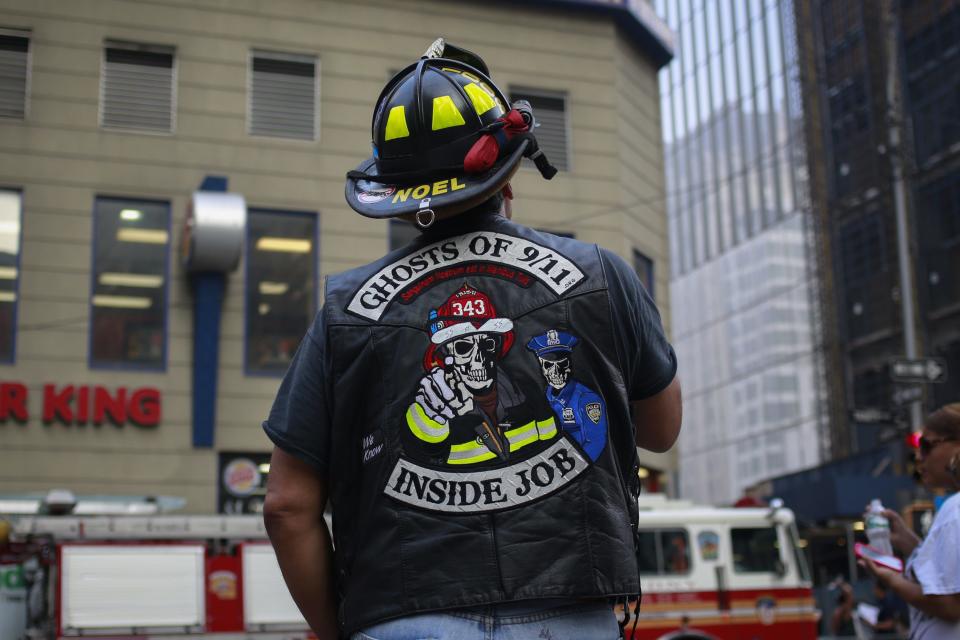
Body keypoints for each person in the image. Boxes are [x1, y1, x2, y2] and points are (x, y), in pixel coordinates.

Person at [261, 38, 682, 640]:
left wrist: (340, 631)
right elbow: (661, 431)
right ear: (510, 171)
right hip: (572, 618)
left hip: (401, 620)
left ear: (400, 199)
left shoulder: (343, 311)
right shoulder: (602, 274)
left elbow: (287, 506)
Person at [859, 403, 960, 639]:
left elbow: (951, 606)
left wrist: (891, 579)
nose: (918, 456)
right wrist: (911, 544)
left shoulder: (954, 512)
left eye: (926, 446)